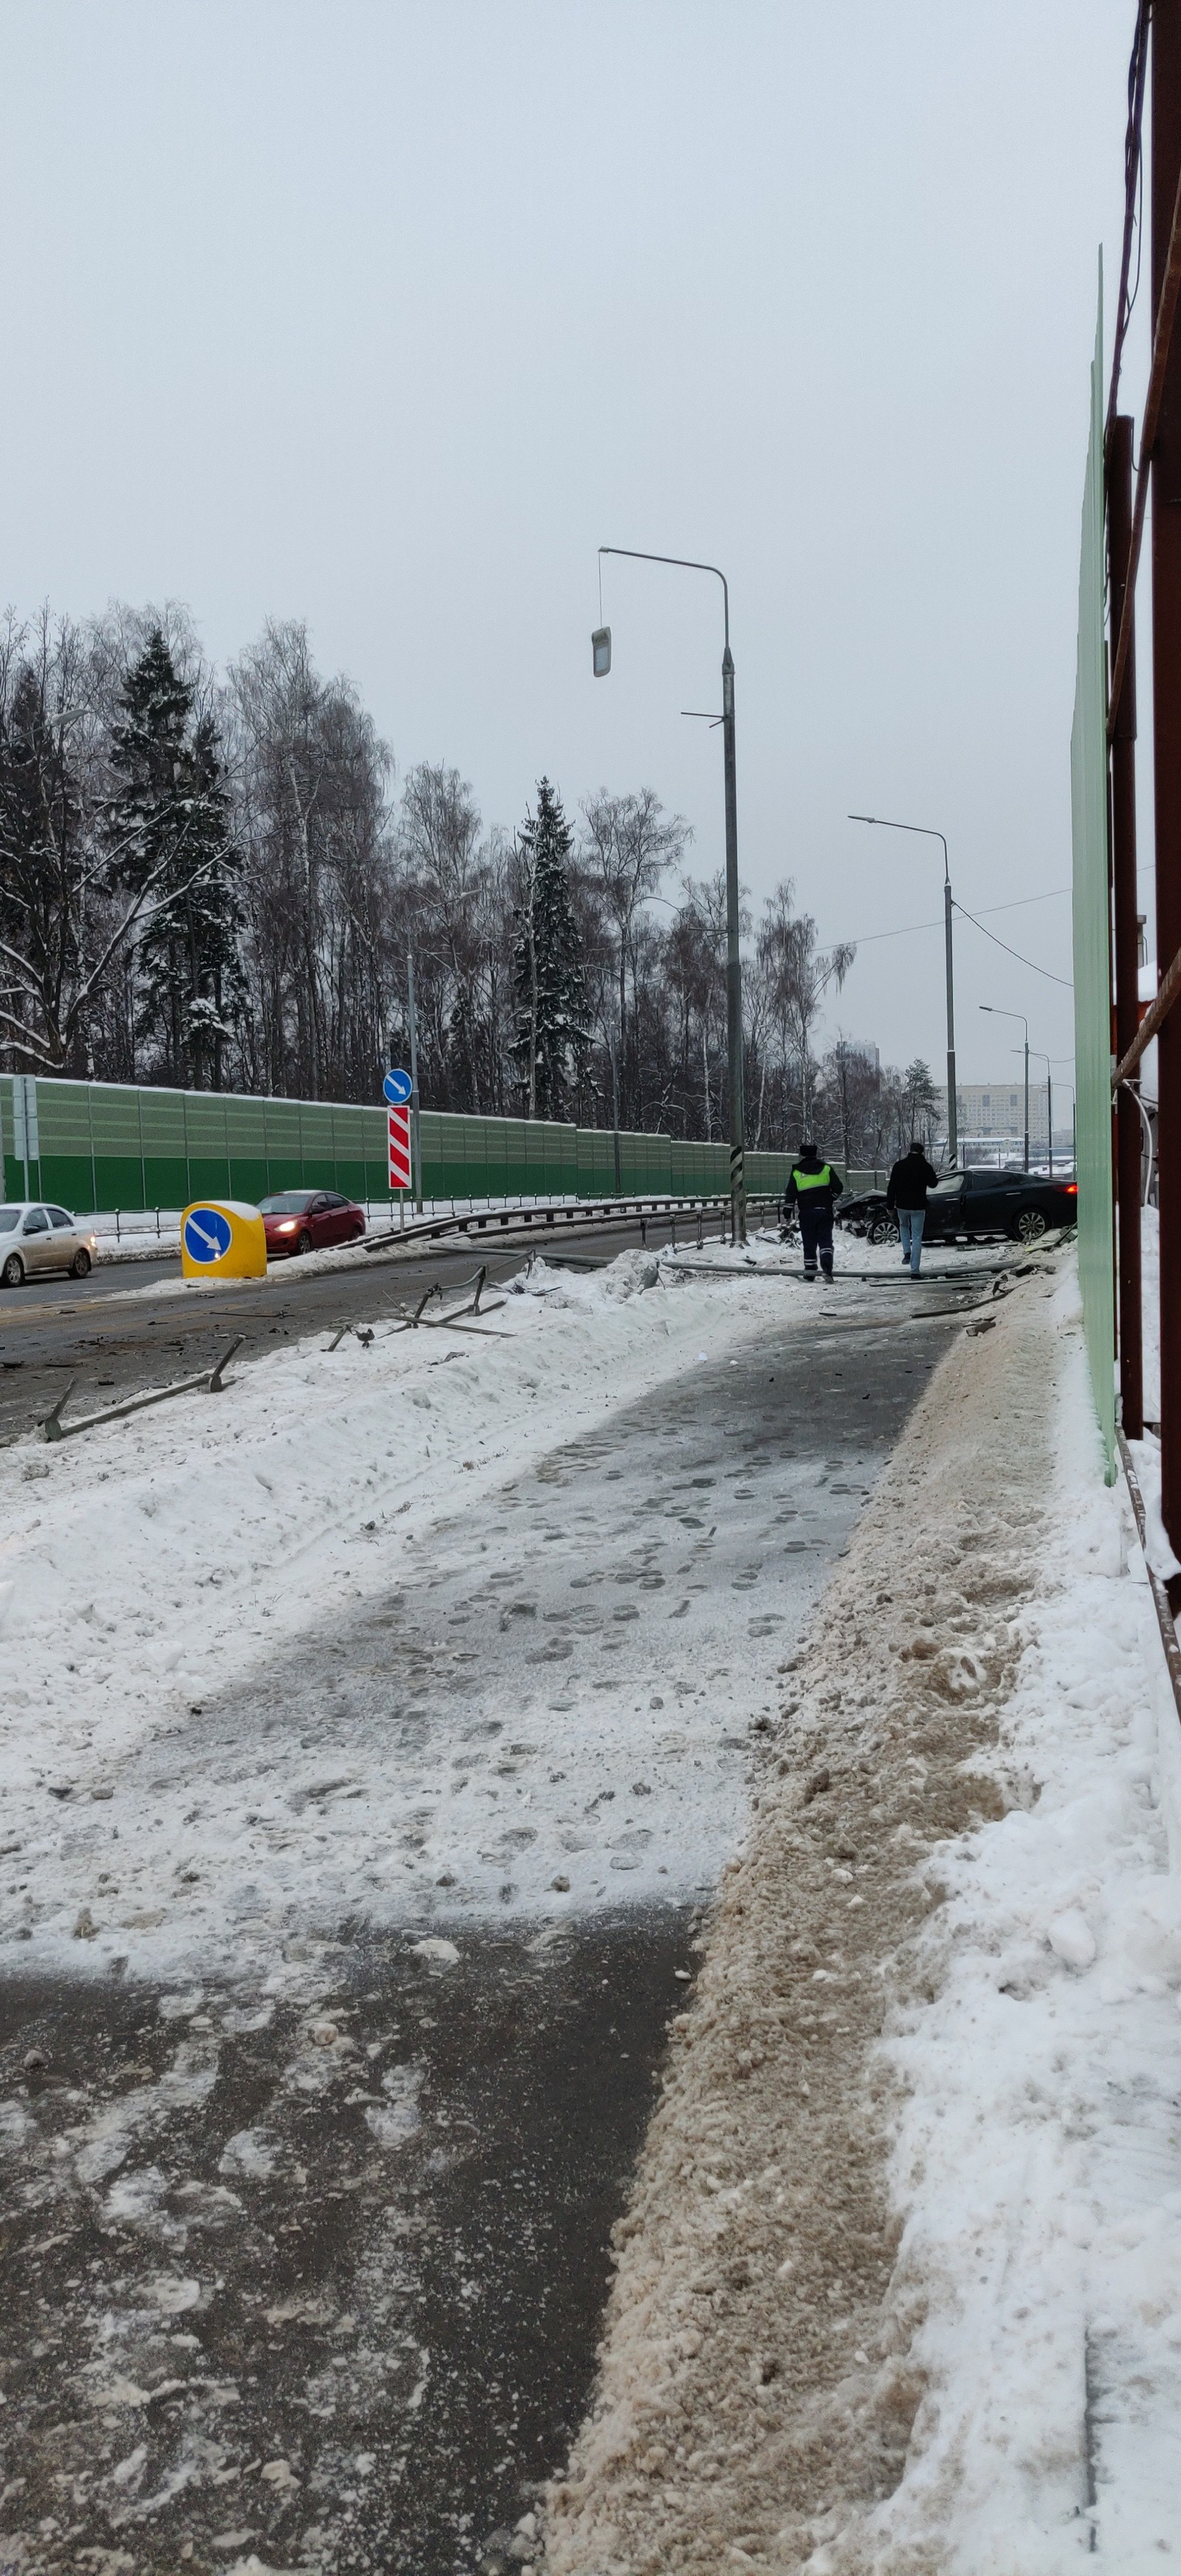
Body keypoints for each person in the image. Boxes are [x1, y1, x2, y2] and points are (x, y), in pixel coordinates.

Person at [784, 1142, 844, 1283]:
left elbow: (791, 1194)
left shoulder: (797, 1172)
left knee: (809, 1243)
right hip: (824, 1212)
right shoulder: (826, 1169)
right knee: (825, 1241)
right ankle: (827, 1270)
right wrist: (829, 1199)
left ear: (802, 1154)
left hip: (807, 1213)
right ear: (816, 1153)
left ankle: (810, 1272)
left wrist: (787, 1212)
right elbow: (838, 1187)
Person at [886, 1136, 939, 1276]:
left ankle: (907, 1252)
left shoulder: (899, 1166)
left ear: (910, 1151)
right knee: (917, 1237)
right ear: (922, 1152)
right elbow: (934, 1183)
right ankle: (915, 1270)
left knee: (904, 1227)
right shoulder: (925, 1167)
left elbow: (891, 1187)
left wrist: (890, 1206)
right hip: (919, 1206)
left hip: (902, 1206)